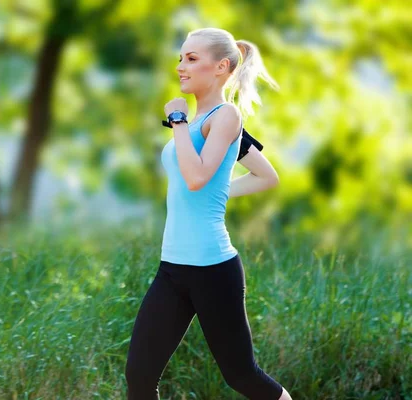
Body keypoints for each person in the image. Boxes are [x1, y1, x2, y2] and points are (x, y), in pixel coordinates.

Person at [124, 27, 293, 400]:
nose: (180, 66)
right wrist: (217, 186)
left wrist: (178, 122)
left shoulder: (226, 116)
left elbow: (197, 177)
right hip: (172, 267)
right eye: (181, 57)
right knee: (138, 376)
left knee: (242, 377)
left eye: (191, 58)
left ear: (220, 68)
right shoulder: (201, 122)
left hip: (213, 270)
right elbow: (254, 176)